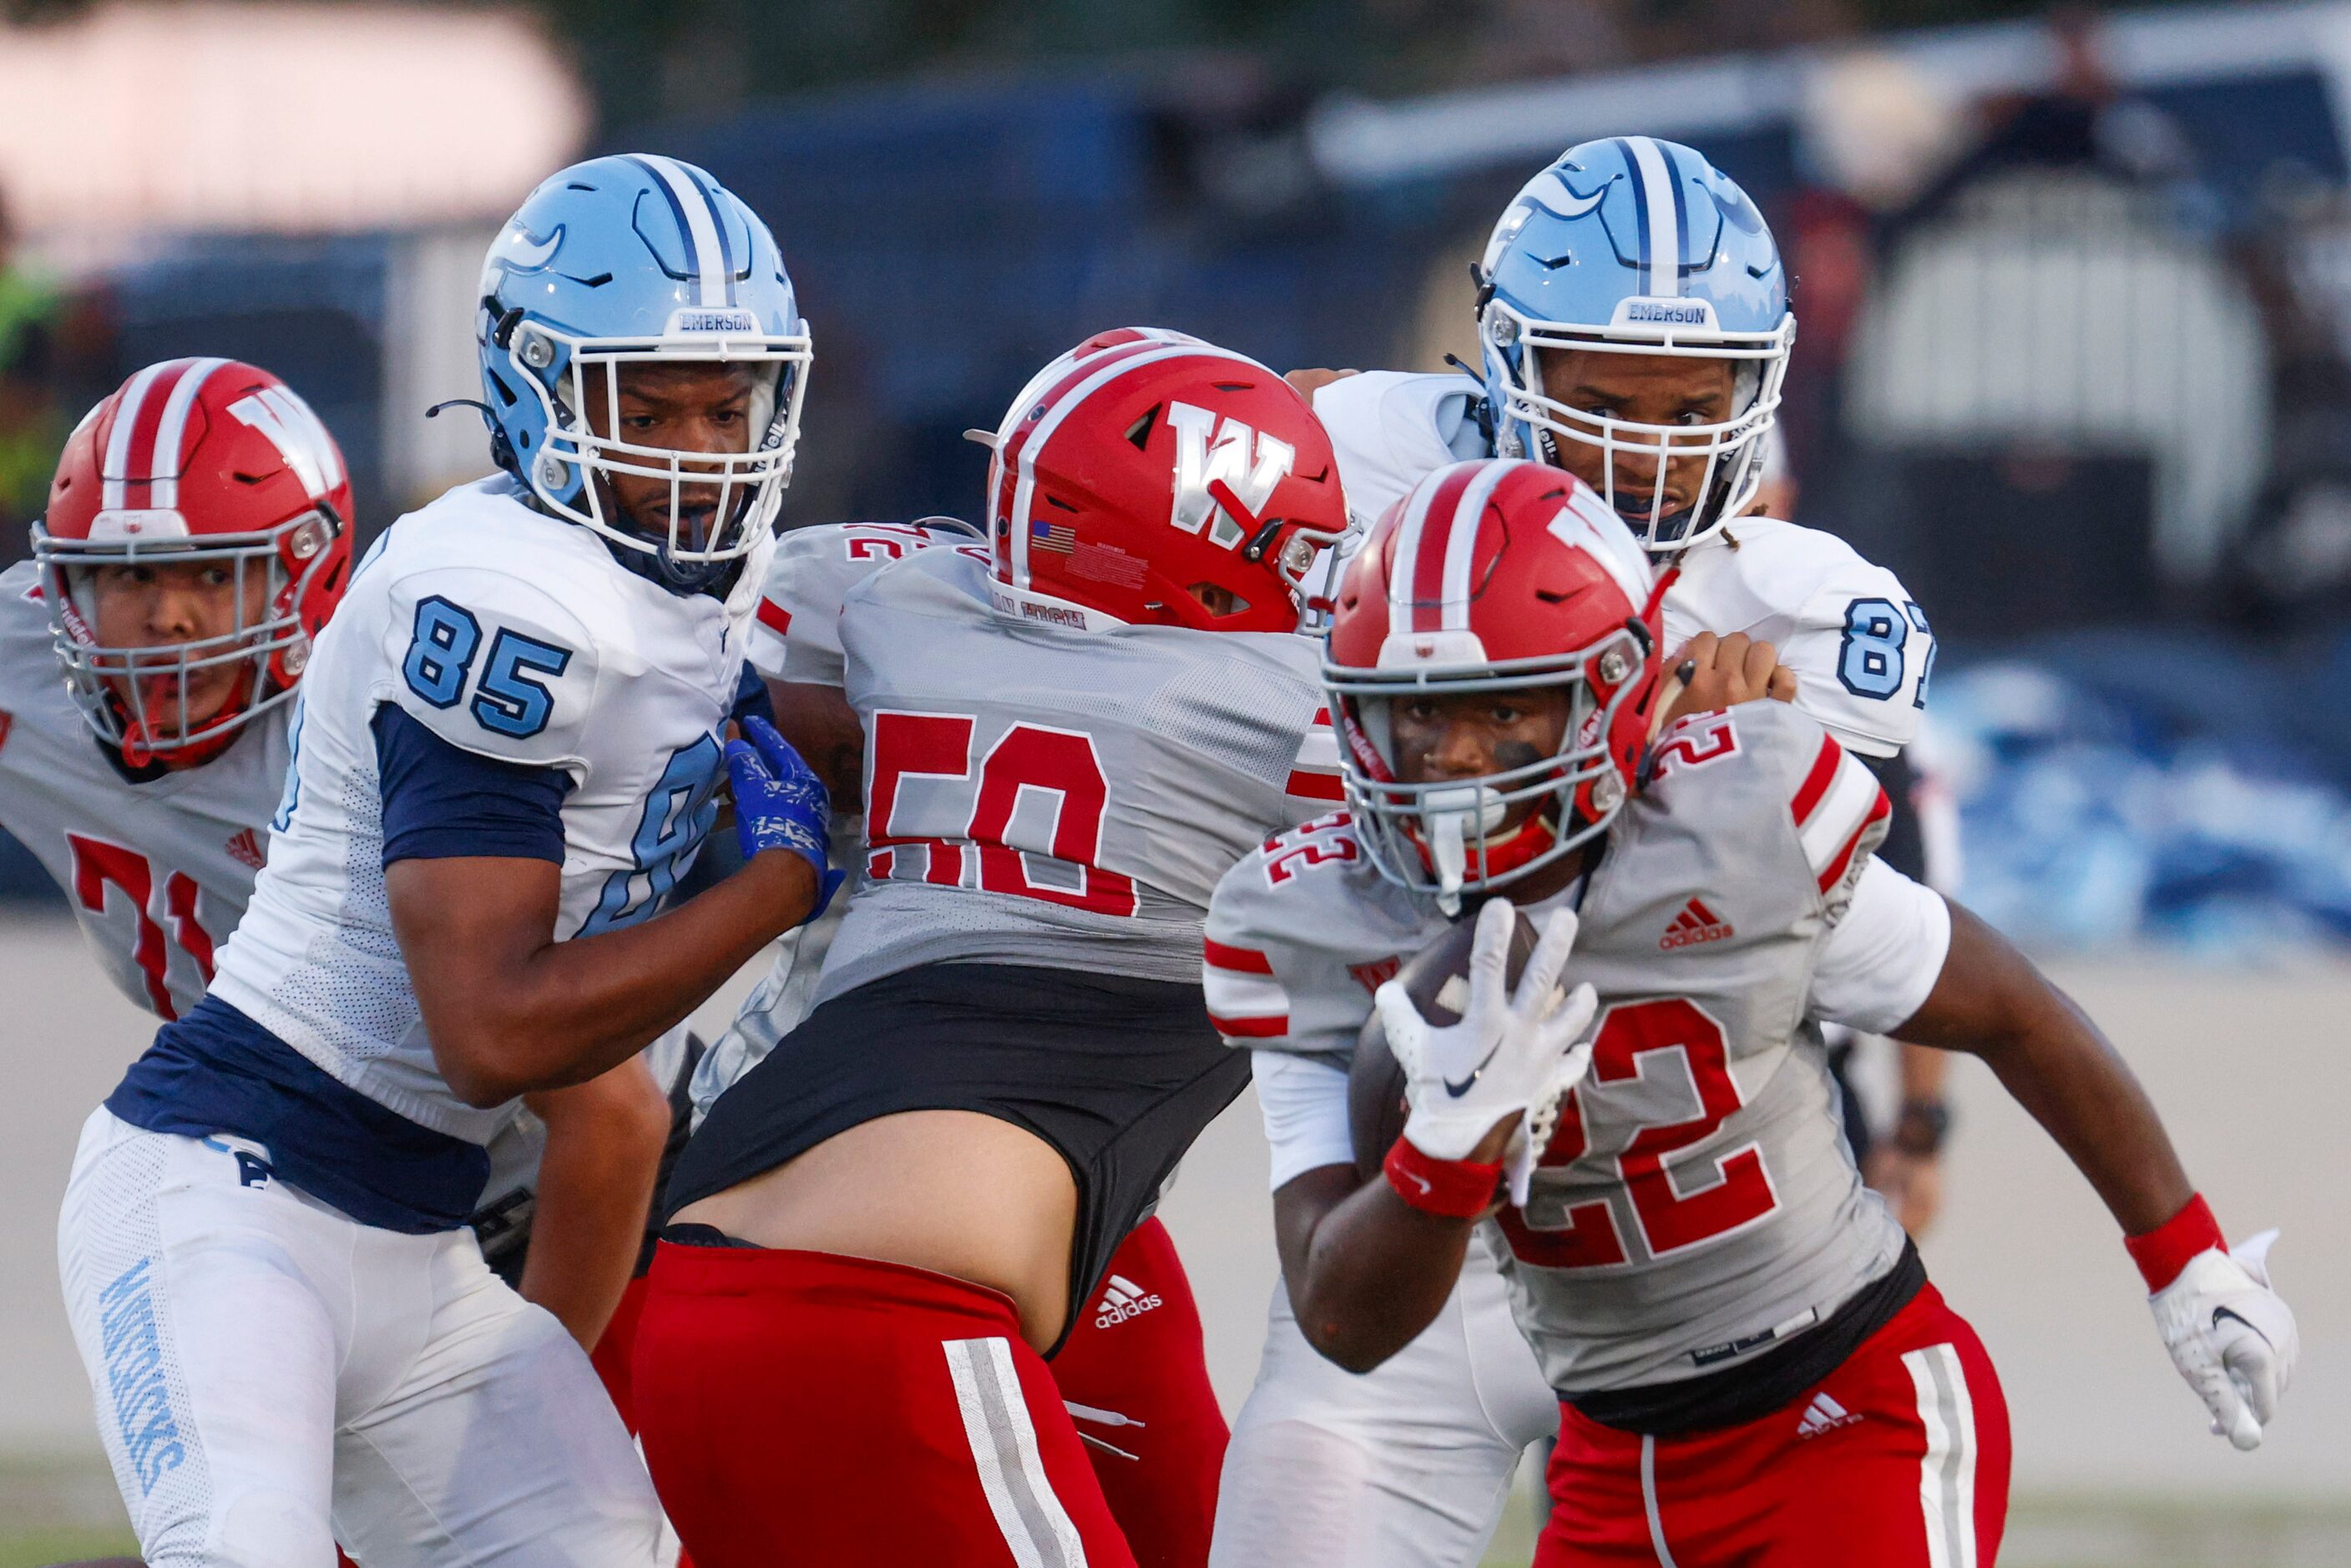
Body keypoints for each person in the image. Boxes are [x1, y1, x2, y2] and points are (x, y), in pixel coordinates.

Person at [1208, 458, 2296, 1565]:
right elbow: (1344, 1320)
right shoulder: (1314, 916)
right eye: (1414, 719)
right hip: (1607, 1459)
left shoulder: (1736, 815)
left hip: (1843, 1405)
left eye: (1504, 707)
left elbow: (2012, 1009)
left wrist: (2187, 1257)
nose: (1456, 762)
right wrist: (1442, 1154)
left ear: (1612, 688)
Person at [53, 154, 832, 1566]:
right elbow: (491, 1033)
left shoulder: (723, 588)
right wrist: (774, 887)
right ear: (534, 389)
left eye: (729, 408)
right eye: (647, 409)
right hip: (233, 1185)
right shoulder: (494, 595)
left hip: (419, 1243)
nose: (697, 450)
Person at [1216, 135, 1942, 1565]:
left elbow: (1743, 919)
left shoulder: (1808, 615)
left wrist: (1733, 762)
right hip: (1406, 1171)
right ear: (1500, 362)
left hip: (1682, 1224)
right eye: (1602, 395)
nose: (1642, 447)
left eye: (1695, 401)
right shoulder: (1346, 453)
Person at [634, 328, 1351, 1567]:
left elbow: (802, 614)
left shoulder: (901, 600)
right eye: (1293, 551)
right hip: (892, 1311)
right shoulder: (1275, 714)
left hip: (715, 1270)